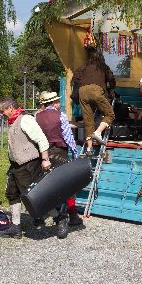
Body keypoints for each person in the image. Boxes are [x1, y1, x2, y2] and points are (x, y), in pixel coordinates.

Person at [0, 96, 53, 239]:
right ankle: (16, 227)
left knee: (35, 196)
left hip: (29, 164)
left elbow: (41, 139)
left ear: (10, 108)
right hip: (16, 166)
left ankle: (59, 218)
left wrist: (45, 159)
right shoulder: (12, 121)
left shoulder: (25, 119)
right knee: (12, 193)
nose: (1, 114)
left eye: (2, 110)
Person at [35, 90, 83, 236]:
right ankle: (72, 215)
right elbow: (68, 137)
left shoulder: (36, 116)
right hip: (59, 153)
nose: (59, 104)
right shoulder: (60, 116)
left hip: (42, 155)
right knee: (66, 184)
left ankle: (42, 215)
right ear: (54, 102)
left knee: (46, 184)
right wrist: (75, 154)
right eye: (57, 101)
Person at [72, 47, 115, 153]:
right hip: (96, 90)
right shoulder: (103, 66)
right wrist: (111, 89)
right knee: (110, 114)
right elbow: (111, 78)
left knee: (88, 121)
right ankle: (98, 132)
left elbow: (75, 77)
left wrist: (83, 84)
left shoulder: (84, 66)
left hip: (82, 92)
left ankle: (89, 148)